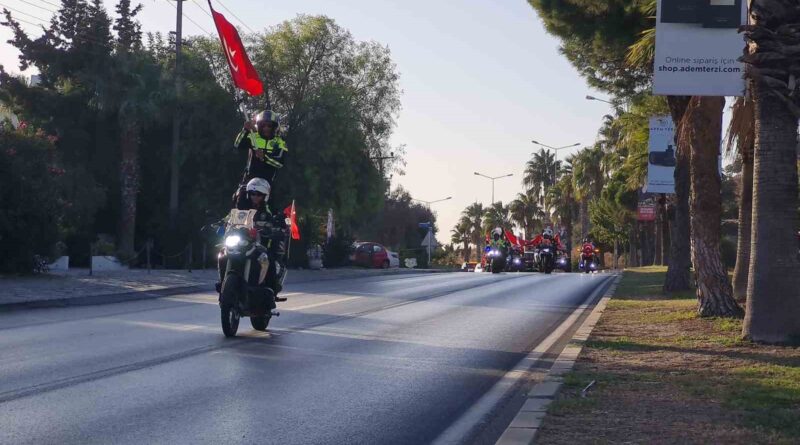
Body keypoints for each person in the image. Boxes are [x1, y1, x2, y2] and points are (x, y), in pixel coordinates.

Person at [218, 178, 289, 301]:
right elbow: (231, 216)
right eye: (252, 194)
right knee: (222, 254)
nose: (255, 197)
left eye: (259, 194)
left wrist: (278, 224)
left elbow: (279, 219)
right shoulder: (241, 206)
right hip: (242, 240)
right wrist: (221, 222)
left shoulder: (268, 209)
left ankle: (272, 291)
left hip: (260, 242)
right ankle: (222, 283)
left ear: (265, 196)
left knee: (269, 259)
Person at [231, 110, 288, 209]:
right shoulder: (253, 136)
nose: (266, 128)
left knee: (270, 209)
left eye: (269, 126)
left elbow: (279, 163)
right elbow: (237, 145)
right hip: (249, 179)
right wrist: (245, 129)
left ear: (274, 127)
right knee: (239, 200)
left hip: (268, 182)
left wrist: (264, 157)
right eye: (263, 126)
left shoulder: (280, 142)